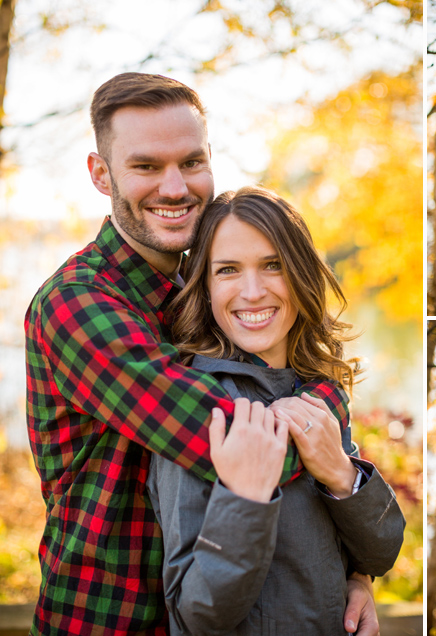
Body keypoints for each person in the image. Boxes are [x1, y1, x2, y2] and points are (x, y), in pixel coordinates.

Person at [25, 73, 379, 635]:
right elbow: (246, 448)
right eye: (145, 166)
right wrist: (327, 410)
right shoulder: (78, 305)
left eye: (191, 162)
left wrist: (349, 571)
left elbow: (290, 375)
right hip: (114, 616)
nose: (174, 187)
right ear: (101, 173)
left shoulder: (210, 287)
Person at [147, 186, 405, 634]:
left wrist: (342, 476)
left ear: (301, 274)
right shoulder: (203, 408)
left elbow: (383, 551)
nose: (252, 291)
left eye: (273, 265)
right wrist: (246, 499)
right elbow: (197, 614)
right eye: (227, 270)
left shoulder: (319, 395)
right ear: (205, 288)